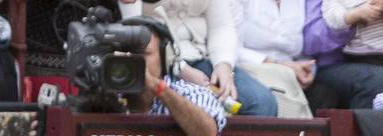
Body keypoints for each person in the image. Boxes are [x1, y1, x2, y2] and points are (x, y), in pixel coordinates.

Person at [116, 0, 279, 116]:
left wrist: (224, 65)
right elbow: (133, 28)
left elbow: (221, 25)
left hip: (203, 57)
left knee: (262, 102)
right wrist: (180, 68)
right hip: (155, 60)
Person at [123, 16, 227, 136]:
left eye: (143, 53)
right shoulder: (104, 93)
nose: (131, 60)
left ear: (165, 57)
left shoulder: (191, 93)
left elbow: (208, 133)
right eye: (125, 53)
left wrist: (158, 88)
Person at [233, 0, 316, 118]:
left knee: (323, 94)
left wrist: (306, 72)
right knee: (269, 97)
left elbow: (304, 50)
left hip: (292, 72)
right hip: (249, 67)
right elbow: (230, 47)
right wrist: (277, 64)